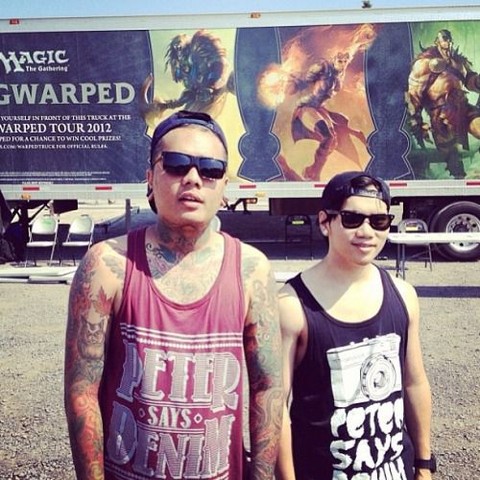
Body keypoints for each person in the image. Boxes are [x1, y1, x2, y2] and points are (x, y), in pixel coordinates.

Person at [64, 110, 283, 480]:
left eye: (210, 169)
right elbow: (82, 390)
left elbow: (268, 388)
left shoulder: (252, 271)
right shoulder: (106, 265)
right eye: (177, 164)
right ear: (150, 179)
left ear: (224, 187)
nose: (193, 178)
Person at [276, 171, 434, 479]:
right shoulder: (291, 306)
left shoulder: (404, 295)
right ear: (325, 222)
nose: (366, 231)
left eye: (379, 221)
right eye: (351, 219)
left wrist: (424, 464)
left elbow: (414, 383)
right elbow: (275, 408)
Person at [406, 29, 480, 178]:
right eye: (445, 39)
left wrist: (477, 81)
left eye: (449, 39)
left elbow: (470, 81)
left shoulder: (458, 62)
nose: (448, 42)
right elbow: (413, 95)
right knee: (453, 158)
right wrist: (417, 122)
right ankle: (459, 181)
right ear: (437, 42)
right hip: (441, 116)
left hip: (463, 108)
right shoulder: (424, 64)